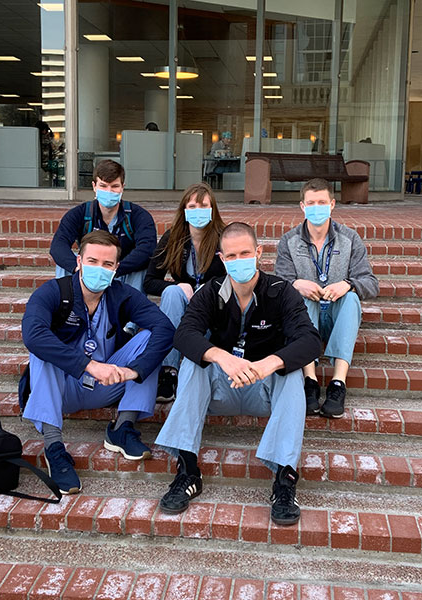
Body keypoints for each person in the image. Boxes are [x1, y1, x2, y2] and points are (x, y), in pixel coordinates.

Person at [155, 222, 321, 525]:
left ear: (258, 252)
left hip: (263, 389)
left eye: (245, 253)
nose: (238, 260)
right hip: (222, 388)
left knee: (291, 372)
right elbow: (184, 334)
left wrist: (268, 364)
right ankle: (188, 470)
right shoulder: (210, 291)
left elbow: (310, 340)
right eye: (231, 256)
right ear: (222, 258)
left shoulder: (280, 291)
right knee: (193, 362)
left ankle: (285, 480)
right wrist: (222, 357)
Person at [21, 230, 175, 495]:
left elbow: (165, 328)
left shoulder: (121, 294)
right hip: (63, 389)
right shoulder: (53, 292)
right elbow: (32, 335)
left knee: (151, 338)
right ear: (79, 261)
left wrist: (134, 370)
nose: (99, 269)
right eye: (92, 261)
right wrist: (89, 365)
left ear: (116, 268)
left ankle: (123, 427)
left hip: (105, 384)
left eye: (107, 264)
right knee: (43, 350)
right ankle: (54, 447)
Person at [274, 178, 379, 418]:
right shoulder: (289, 241)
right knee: (300, 298)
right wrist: (295, 284)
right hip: (305, 316)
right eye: (311, 203)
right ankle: (310, 380)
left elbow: (371, 283)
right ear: (302, 206)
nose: (316, 207)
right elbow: (278, 284)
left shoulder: (350, 238)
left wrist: (348, 284)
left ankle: (337, 383)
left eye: (322, 202)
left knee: (351, 300)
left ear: (332, 204)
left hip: (336, 317)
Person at [143, 182, 226, 402]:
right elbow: (150, 282)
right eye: (192, 206)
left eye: (204, 206)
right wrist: (177, 286)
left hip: (213, 310)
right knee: (171, 294)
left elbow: (237, 280)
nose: (198, 211)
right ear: (184, 210)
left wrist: (211, 289)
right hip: (182, 307)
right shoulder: (173, 237)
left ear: (212, 209)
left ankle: (195, 370)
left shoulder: (224, 237)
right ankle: (169, 372)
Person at [50, 159, 157, 318]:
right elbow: (58, 246)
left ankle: (130, 321)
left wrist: (114, 269)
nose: (109, 191)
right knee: (65, 261)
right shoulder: (79, 214)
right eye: (103, 186)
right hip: (89, 270)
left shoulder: (138, 215)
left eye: (114, 186)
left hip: (122, 271)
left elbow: (147, 248)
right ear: (94, 186)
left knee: (142, 265)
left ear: (122, 187)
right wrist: (78, 268)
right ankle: (67, 312)